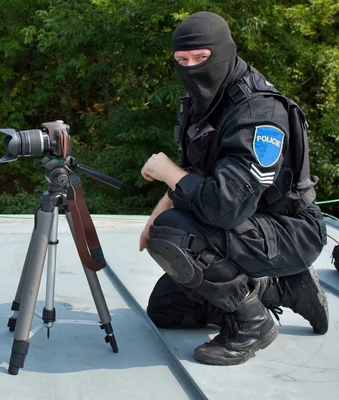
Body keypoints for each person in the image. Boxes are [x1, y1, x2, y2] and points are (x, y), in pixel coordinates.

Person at [139, 11, 329, 366]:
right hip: (250, 229)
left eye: (202, 58)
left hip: (289, 230)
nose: (192, 68)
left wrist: (167, 173)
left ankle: (252, 323)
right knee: (165, 311)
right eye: (182, 61)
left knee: (174, 234)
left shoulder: (258, 112)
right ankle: (280, 287)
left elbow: (227, 207)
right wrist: (161, 205)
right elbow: (199, 169)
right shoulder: (210, 99)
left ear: (224, 52)